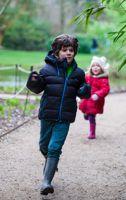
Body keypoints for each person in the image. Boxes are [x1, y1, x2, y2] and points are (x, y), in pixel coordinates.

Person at [26, 34, 91, 195]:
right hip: (48, 114)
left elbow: (83, 92)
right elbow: (38, 88)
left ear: (75, 52)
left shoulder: (78, 73)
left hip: (65, 117)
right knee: (43, 145)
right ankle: (50, 163)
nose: (68, 53)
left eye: (71, 50)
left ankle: (46, 182)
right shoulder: (47, 69)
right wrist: (34, 81)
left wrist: (85, 90)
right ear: (56, 53)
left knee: (55, 148)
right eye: (64, 50)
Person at [79, 56, 110, 139]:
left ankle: (92, 133)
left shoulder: (103, 79)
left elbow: (105, 88)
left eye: (98, 66)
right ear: (91, 67)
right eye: (93, 66)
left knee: (91, 116)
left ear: (101, 68)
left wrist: (98, 94)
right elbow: (82, 84)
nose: (95, 67)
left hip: (95, 101)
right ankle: (87, 116)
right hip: (86, 99)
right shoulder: (88, 77)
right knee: (86, 116)